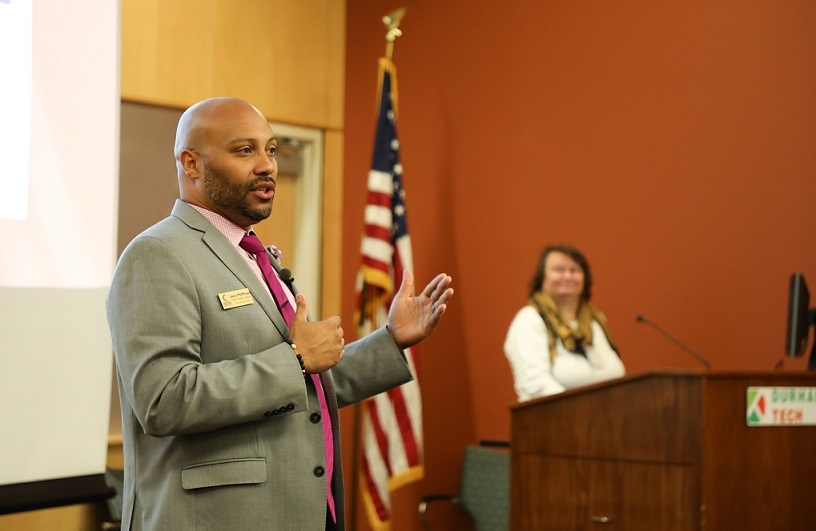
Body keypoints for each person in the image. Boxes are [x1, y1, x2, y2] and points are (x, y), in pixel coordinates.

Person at [106, 97, 454, 531]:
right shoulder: (157, 255)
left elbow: (302, 388)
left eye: (270, 150)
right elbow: (163, 400)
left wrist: (391, 340)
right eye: (244, 150)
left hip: (302, 511)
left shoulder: (251, 255)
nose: (267, 165)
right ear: (191, 163)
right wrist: (294, 359)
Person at [504, 244, 623, 401]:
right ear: (542, 278)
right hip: (555, 419)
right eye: (559, 270)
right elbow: (535, 384)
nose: (567, 276)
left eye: (574, 270)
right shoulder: (529, 320)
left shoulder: (595, 319)